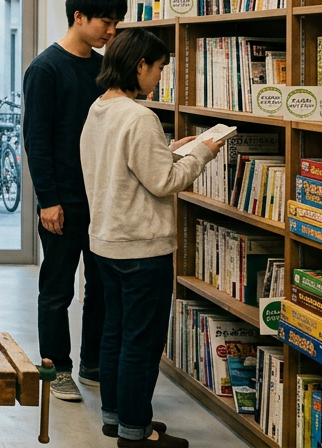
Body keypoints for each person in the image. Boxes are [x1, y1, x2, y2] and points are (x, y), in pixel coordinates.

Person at [80, 29, 221, 448]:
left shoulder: (99, 109)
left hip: (106, 239)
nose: (160, 76)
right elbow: (163, 181)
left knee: (115, 332)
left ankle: (115, 419)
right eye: (158, 67)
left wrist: (169, 147)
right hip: (142, 246)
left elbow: (126, 166)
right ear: (140, 65)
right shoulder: (139, 117)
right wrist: (201, 153)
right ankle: (136, 433)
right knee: (141, 344)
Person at [22, 0, 127, 402]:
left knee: (101, 286)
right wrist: (48, 200)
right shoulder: (45, 68)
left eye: (116, 22)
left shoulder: (104, 69)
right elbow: (37, 140)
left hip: (102, 199)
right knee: (57, 288)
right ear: (78, 17)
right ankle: (56, 368)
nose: (112, 30)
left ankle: (93, 364)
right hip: (62, 200)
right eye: (106, 21)